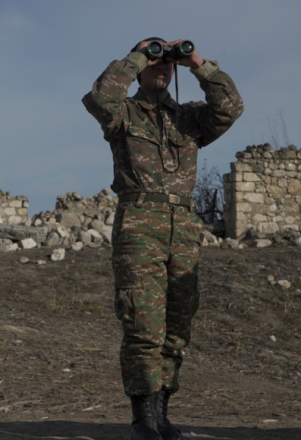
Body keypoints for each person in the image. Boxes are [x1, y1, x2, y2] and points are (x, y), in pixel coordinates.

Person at [82, 37, 243, 440]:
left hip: (184, 229)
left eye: (165, 63)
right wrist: (138, 53)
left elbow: (230, 108)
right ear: (139, 68)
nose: (161, 68)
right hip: (140, 225)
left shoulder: (189, 119)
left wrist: (196, 63)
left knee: (177, 327)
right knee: (143, 324)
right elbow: (100, 98)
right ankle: (143, 420)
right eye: (154, 62)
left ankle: (162, 414)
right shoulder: (124, 113)